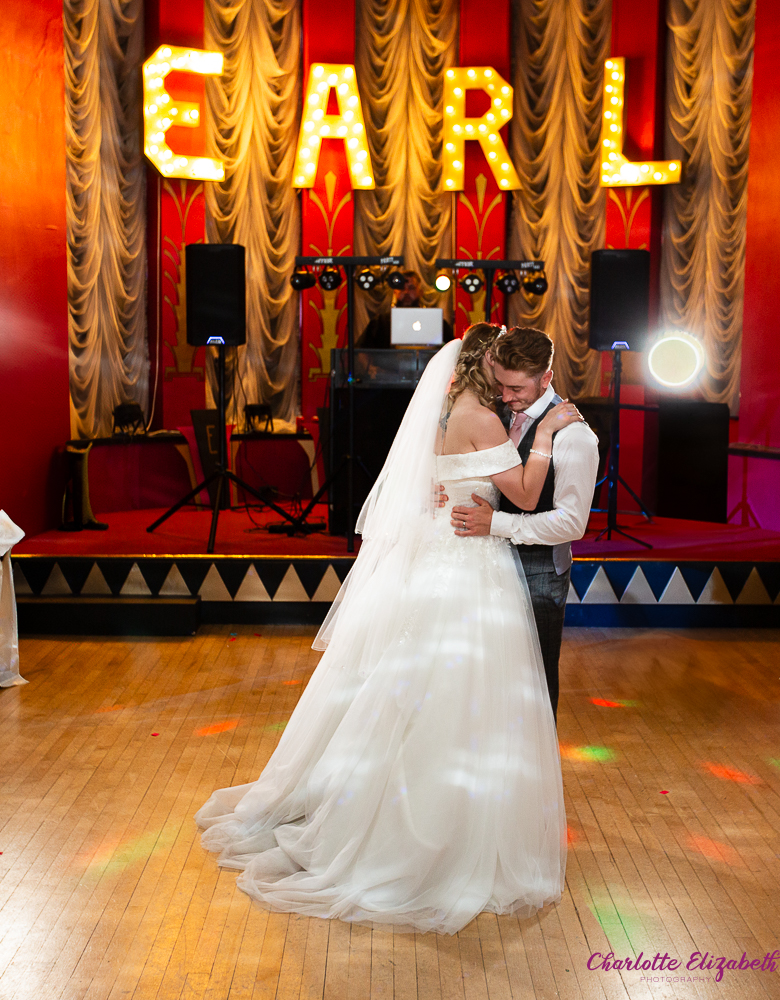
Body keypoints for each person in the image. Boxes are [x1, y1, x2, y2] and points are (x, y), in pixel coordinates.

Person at [195, 323, 583, 934]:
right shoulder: (483, 418)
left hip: (438, 555)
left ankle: (414, 803)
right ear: (492, 369)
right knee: (463, 693)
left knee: (420, 688)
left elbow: (442, 478)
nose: (512, 395)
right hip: (472, 563)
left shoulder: (448, 408)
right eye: (506, 380)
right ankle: (440, 825)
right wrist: (549, 436)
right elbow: (530, 497)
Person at [445, 327, 599, 720]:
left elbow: (571, 523)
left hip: (539, 573)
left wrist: (496, 524)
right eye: (501, 386)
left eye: (516, 388)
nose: (506, 397)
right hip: (482, 565)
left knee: (535, 681)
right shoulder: (492, 412)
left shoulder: (574, 436)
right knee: (487, 675)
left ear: (545, 378)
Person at [356, 269, 453, 349]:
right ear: (395, 292)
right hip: (387, 372)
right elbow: (361, 349)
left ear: (421, 292)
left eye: (411, 288)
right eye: (402, 288)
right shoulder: (381, 322)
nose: (406, 292)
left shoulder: (435, 322)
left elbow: (453, 350)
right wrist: (372, 369)